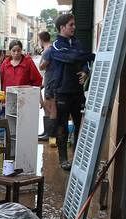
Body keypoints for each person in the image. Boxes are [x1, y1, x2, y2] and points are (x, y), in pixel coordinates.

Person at [47, 13, 95, 170]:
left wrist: (85, 71)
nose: (74, 27)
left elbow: (82, 60)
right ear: (62, 27)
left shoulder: (77, 43)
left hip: (78, 91)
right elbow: (72, 58)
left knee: (80, 124)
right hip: (62, 91)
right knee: (62, 126)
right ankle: (63, 159)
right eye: (71, 25)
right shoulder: (56, 46)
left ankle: (77, 158)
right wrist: (92, 56)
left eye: (74, 24)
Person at [37, 31, 57, 147]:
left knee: (49, 108)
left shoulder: (47, 50)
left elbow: (41, 66)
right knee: (46, 107)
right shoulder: (51, 49)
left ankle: (50, 135)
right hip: (49, 81)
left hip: (50, 83)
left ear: (41, 40)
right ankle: (46, 132)